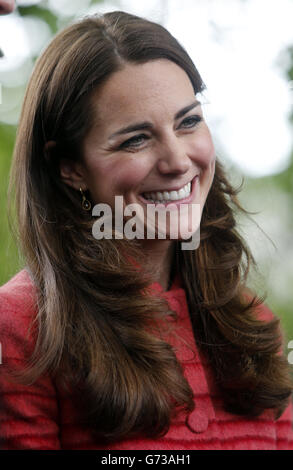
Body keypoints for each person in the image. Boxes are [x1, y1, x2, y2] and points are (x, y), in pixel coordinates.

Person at [0, 11, 292, 451]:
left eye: (188, 121)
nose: (178, 161)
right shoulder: (20, 330)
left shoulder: (252, 323)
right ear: (71, 169)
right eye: (136, 139)